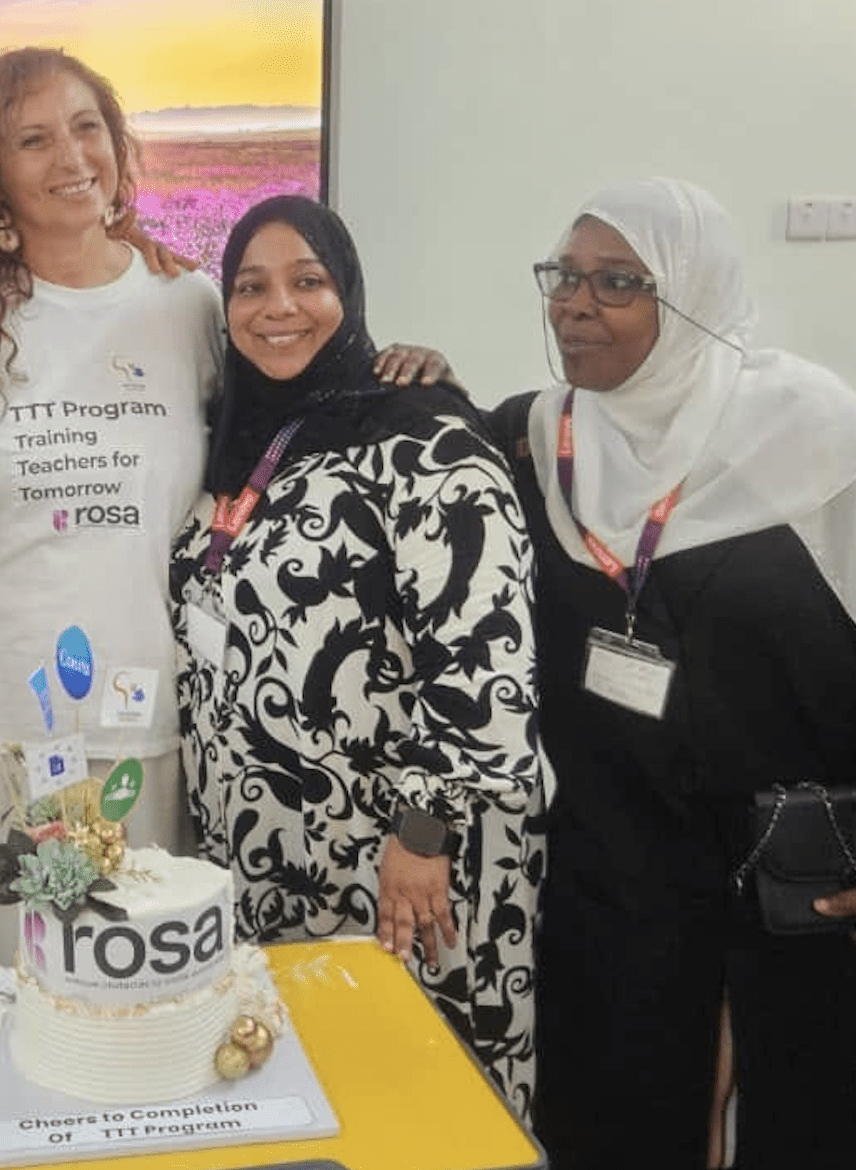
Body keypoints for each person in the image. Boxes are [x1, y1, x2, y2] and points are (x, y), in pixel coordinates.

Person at [0, 47, 443, 966]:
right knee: (43, 983)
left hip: (159, 715)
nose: (72, 156)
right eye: (33, 140)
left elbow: (293, 413)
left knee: (152, 983)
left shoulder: (187, 303)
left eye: (87, 127)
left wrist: (405, 374)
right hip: (5, 724)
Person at [494, 177, 856, 1169]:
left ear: (694, 296)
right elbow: (416, 444)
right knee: (632, 1104)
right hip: (630, 866)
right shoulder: (540, 435)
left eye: (619, 282)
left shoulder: (823, 438)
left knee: (827, 1115)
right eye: (565, 276)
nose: (575, 305)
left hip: (810, 865)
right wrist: (404, 374)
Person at [167, 195, 544, 1111]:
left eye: (308, 281)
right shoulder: (239, 436)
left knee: (416, 1094)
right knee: (303, 1096)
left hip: (402, 859)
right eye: (250, 287)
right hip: (269, 850)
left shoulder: (428, 444)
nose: (278, 307)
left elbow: (486, 664)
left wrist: (423, 837)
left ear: (349, 292)